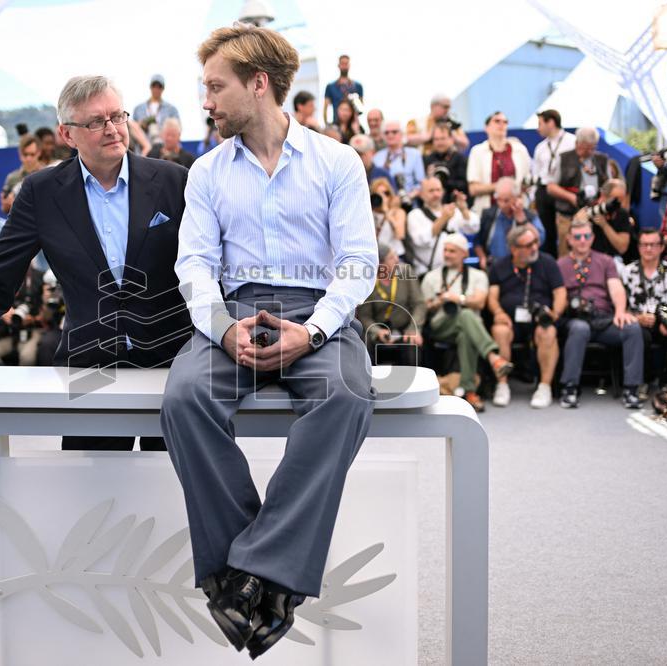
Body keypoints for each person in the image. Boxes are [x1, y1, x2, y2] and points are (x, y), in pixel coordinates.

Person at [163, 25, 378, 659]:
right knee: (183, 399)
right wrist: (225, 327)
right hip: (234, 313)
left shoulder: (338, 162)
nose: (205, 100)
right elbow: (194, 266)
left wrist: (312, 330)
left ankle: (245, 575)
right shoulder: (205, 172)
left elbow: (359, 263)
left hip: (319, 310)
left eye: (214, 86)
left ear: (259, 85)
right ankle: (258, 577)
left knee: (345, 394)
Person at [0, 75, 193, 454]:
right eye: (95, 122)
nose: (112, 129)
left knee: (173, 488)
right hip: (91, 368)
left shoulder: (174, 181)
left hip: (172, 362)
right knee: (93, 493)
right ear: (67, 134)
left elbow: (208, 269)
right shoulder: (40, 192)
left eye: (117, 116)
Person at [556, 218, 644, 409]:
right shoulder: (560, 264)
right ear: (569, 239)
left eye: (586, 236)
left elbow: (616, 288)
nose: (582, 240)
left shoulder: (606, 261)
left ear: (592, 238)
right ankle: (570, 388)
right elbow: (558, 295)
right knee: (579, 329)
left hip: (603, 318)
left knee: (632, 327)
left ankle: (631, 389)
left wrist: (620, 311)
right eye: (577, 237)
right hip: (575, 320)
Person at [421, 233, 513, 411]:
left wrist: (458, 299)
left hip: (469, 328)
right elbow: (424, 307)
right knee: (467, 316)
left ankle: (468, 391)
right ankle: (494, 357)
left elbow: (480, 302)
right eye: (445, 250)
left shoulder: (478, 276)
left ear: (464, 253)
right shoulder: (432, 277)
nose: (447, 254)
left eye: (452, 251)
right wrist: (439, 301)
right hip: (441, 325)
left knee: (465, 330)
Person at [487, 223, 565, 409]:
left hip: (540, 320)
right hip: (510, 320)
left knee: (548, 332)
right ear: (514, 249)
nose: (534, 248)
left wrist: (554, 313)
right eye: (528, 245)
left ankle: (544, 387)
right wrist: (498, 312)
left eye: (535, 242)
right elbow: (492, 296)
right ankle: (502, 384)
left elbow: (560, 293)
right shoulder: (500, 266)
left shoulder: (547, 262)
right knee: (499, 331)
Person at [620, 228, 667, 381]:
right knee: (639, 335)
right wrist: (637, 318)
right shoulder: (627, 271)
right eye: (644, 245)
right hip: (637, 322)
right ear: (638, 247)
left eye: (653, 244)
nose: (649, 249)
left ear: (662, 247)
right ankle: (643, 381)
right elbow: (621, 307)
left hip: (665, 321)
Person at [357, 241, 425, 366]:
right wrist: (376, 331)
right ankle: (370, 381)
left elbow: (419, 304)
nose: (397, 259)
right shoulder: (368, 280)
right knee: (364, 343)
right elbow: (364, 316)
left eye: (395, 255)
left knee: (411, 344)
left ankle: (412, 383)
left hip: (404, 327)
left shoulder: (405, 272)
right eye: (391, 258)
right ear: (380, 264)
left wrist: (413, 328)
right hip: (379, 328)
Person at [547, 127, 609, 256]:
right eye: (585, 148)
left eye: (592, 148)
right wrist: (570, 197)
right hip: (567, 215)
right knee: (565, 253)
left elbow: (610, 186)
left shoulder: (602, 160)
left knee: (592, 254)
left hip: (593, 216)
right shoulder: (563, 158)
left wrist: (604, 198)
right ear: (577, 143)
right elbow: (551, 187)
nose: (589, 152)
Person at [405, 177, 476, 275]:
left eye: (438, 190)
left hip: (455, 272)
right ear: (421, 194)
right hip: (427, 273)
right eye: (431, 191)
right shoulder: (415, 215)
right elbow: (420, 241)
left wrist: (464, 209)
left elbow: (472, 228)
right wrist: (443, 219)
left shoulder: (453, 211)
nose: (436, 194)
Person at [0, 265, 45, 366]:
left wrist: (33, 318)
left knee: (27, 357)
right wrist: (2, 313)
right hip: (6, 331)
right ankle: (3, 381)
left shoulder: (41, 276)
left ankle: (25, 382)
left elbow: (47, 311)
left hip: (31, 330)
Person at [530, 109, 576, 257]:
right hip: (543, 191)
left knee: (566, 231)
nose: (538, 128)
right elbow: (536, 174)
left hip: (564, 190)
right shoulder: (540, 148)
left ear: (551, 122)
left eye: (540, 123)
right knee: (547, 232)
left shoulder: (572, 141)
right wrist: (533, 198)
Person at [467, 111, 530, 216]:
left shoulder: (520, 149)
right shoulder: (477, 151)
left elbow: (527, 182)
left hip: (516, 209)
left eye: (505, 122)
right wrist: (503, 188)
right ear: (486, 127)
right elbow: (473, 189)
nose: (502, 124)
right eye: (497, 121)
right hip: (487, 211)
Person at [474, 178, 545, 269]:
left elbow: (540, 240)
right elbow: (477, 242)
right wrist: (482, 257)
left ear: (517, 198)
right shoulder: (489, 215)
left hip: (522, 265)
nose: (502, 205)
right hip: (494, 265)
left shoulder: (530, 216)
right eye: (499, 200)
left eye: (506, 201)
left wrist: (522, 220)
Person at [570, 178, 632, 259]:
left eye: (621, 200)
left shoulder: (622, 213)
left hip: (613, 259)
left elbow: (622, 248)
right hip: (589, 258)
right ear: (603, 196)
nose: (619, 204)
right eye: (616, 200)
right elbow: (573, 241)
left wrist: (604, 225)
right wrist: (581, 220)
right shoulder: (589, 209)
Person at [375, 120, 425, 204]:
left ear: (402, 134)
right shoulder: (377, 157)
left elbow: (421, 183)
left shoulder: (414, 154)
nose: (390, 135)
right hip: (384, 204)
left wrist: (407, 197)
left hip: (409, 203)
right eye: (386, 133)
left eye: (394, 132)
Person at [405, 93, 469, 154]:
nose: (447, 110)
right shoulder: (416, 122)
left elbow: (465, 144)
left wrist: (452, 136)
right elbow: (406, 139)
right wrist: (428, 136)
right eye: (445, 107)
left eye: (449, 107)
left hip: (450, 162)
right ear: (433, 106)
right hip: (425, 162)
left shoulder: (452, 124)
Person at [423, 123, 470, 204]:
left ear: (451, 139)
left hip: (456, 204)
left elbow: (464, 186)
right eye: (436, 139)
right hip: (433, 205)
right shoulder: (428, 159)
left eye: (443, 138)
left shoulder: (460, 159)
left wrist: (443, 181)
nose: (439, 142)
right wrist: (429, 178)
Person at [132, 73, 180, 145]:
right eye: (154, 86)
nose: (156, 89)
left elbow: (178, 130)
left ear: (163, 88)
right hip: (143, 149)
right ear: (150, 87)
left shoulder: (172, 109)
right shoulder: (138, 109)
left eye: (159, 87)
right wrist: (141, 125)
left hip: (163, 149)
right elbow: (132, 131)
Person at [370, 178, 407, 261]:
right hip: (378, 257)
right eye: (378, 194)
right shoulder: (369, 215)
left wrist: (387, 212)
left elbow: (400, 235)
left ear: (391, 195)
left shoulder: (398, 212)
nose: (382, 197)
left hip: (396, 256)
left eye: (386, 193)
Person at [322, 54, 363, 125]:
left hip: (353, 125)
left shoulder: (358, 86)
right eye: (342, 63)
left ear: (349, 65)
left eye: (346, 63)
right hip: (336, 124)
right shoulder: (331, 86)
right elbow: (326, 108)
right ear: (339, 65)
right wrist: (327, 125)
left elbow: (361, 108)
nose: (344, 66)